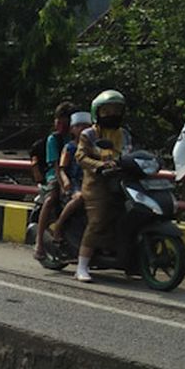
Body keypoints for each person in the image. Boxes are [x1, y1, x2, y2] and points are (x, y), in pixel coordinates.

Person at [73, 90, 132, 283]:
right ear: (97, 112)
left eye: (117, 110)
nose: (112, 114)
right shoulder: (88, 134)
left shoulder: (124, 134)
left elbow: (131, 153)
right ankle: (82, 266)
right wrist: (99, 166)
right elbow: (80, 157)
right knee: (97, 220)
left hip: (121, 180)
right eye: (107, 111)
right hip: (97, 183)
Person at [33, 101, 74, 260]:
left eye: (63, 119)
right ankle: (39, 242)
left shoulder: (78, 136)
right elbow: (56, 166)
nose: (59, 123)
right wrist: (63, 183)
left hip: (74, 174)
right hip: (55, 175)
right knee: (51, 199)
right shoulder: (54, 139)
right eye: (58, 119)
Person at [49, 110, 92, 239]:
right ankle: (59, 224)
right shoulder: (69, 147)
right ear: (72, 129)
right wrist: (65, 181)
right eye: (79, 126)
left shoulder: (93, 147)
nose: (82, 129)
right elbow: (62, 168)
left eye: (86, 126)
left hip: (90, 181)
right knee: (79, 198)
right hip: (75, 182)